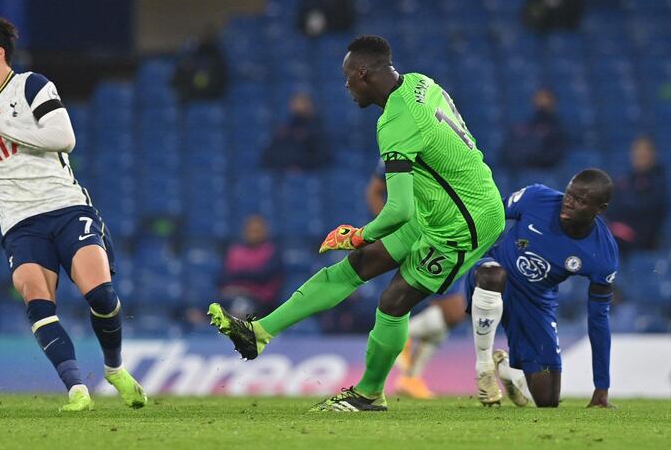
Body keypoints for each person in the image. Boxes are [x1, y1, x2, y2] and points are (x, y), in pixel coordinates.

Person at [208, 35, 505, 411]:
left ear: (363, 73)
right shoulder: (420, 82)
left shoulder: (396, 121)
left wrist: (358, 235)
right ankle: (259, 333)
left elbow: (397, 210)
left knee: (394, 300)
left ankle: (369, 394)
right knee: (360, 265)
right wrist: (362, 244)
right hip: (439, 206)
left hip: (465, 222)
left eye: (347, 76)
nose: (346, 85)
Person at [0, 17, 146, 412]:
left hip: (65, 206)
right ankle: (75, 388)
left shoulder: (33, 86)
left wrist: (7, 125)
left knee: (101, 295)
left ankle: (115, 368)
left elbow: (64, 138)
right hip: (19, 223)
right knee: (37, 300)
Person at [467, 170, 618, 408]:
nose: (568, 202)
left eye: (580, 201)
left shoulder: (602, 254)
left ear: (600, 209)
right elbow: (490, 215)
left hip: (535, 300)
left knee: (547, 401)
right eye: (569, 194)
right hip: (492, 271)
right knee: (493, 275)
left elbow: (599, 319)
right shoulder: (537, 197)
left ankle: (506, 370)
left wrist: (602, 387)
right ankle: (484, 369)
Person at [366, 160, 466, 399]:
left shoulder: (447, 147)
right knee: (453, 312)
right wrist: (390, 226)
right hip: (426, 236)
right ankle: (406, 336)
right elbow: (374, 190)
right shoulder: (402, 149)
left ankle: (411, 378)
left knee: (446, 319)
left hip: (446, 231)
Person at [607, 137, 667, 253]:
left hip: (646, 237)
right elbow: (612, 206)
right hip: (621, 231)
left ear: (653, 155)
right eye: (637, 153)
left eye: (644, 153)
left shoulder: (660, 180)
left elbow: (648, 208)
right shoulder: (626, 179)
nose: (640, 157)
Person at [218, 215, 282, 318]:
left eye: (257, 231)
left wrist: (241, 280)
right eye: (250, 231)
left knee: (243, 307)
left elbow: (263, 276)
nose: (253, 234)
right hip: (232, 295)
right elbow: (225, 277)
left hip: (260, 299)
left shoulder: (271, 251)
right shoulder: (235, 251)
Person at [262, 92, 331, 171]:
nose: (299, 106)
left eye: (303, 103)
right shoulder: (289, 125)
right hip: (286, 167)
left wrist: (301, 166)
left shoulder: (317, 127)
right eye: (297, 103)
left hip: (308, 168)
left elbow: (321, 155)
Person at [502, 88, 565, 170]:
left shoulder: (556, 125)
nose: (543, 103)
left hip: (547, 164)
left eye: (546, 100)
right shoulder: (531, 122)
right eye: (540, 100)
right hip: (526, 163)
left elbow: (556, 151)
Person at [171, 25, 228, 102]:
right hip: (191, 97)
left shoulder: (217, 58)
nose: (202, 39)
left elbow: (221, 78)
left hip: (212, 96)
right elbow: (178, 78)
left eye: (205, 37)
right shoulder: (190, 56)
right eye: (200, 37)